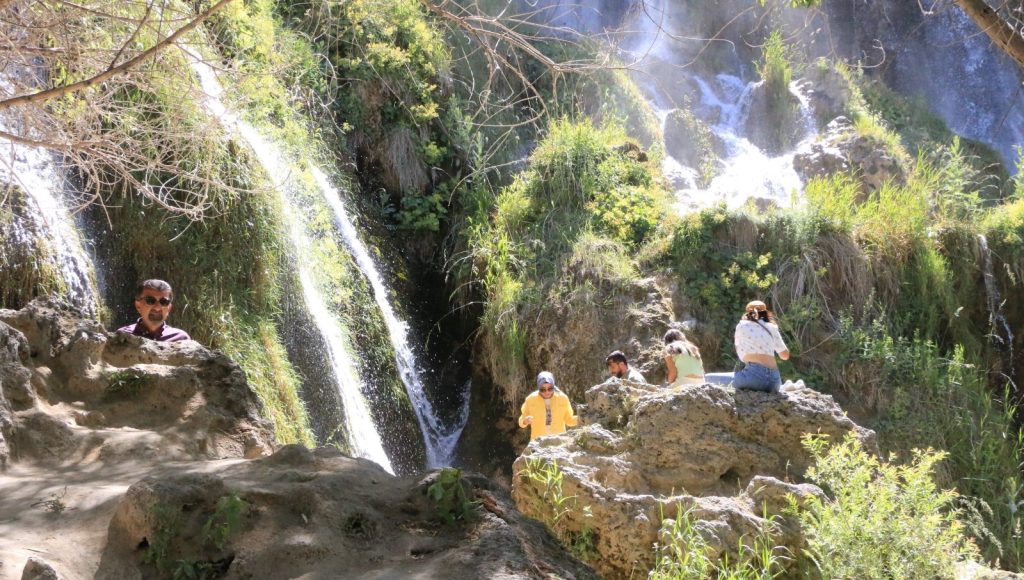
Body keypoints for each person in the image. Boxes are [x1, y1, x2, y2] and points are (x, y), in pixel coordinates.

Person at [732, 300, 789, 393]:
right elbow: (785, 356)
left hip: (754, 378)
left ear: (747, 313)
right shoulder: (772, 328)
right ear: (765, 313)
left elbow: (741, 355)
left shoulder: (742, 326)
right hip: (775, 382)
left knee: (710, 378)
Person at [117, 279, 191, 342]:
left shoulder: (181, 339)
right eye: (150, 301)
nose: (157, 307)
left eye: (164, 302)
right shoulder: (122, 337)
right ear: (138, 305)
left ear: (169, 308)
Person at [518, 371, 578, 441]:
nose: (547, 392)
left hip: (559, 442)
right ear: (538, 387)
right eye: (543, 389)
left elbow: (569, 420)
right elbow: (522, 419)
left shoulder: (563, 398)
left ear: (553, 386)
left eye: (550, 389)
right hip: (538, 443)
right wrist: (525, 421)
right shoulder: (530, 399)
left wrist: (581, 419)